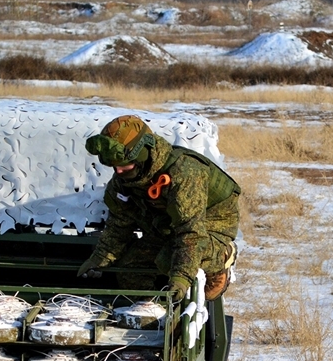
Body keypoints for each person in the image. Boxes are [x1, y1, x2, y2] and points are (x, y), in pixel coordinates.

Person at [78, 115, 240, 301]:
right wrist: (100, 258)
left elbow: (191, 232)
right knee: (130, 269)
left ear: (142, 155)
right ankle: (152, 314)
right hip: (167, 225)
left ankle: (221, 257)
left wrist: (181, 278)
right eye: (114, 166)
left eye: (124, 165)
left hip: (209, 223)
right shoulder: (124, 179)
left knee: (169, 260)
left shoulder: (184, 172)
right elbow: (120, 221)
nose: (119, 171)